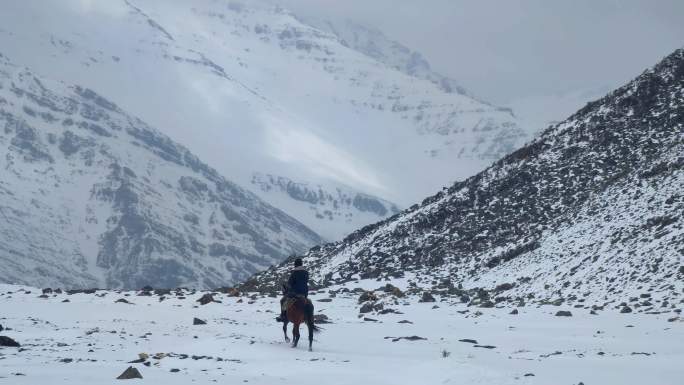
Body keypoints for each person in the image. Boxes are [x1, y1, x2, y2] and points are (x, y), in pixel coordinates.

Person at [276, 258, 309, 322]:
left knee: (283, 300)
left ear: (295, 265)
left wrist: (287, 287)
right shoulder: (306, 272)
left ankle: (283, 315)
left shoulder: (294, 273)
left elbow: (289, 284)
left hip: (295, 293)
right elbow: (306, 281)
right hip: (305, 293)